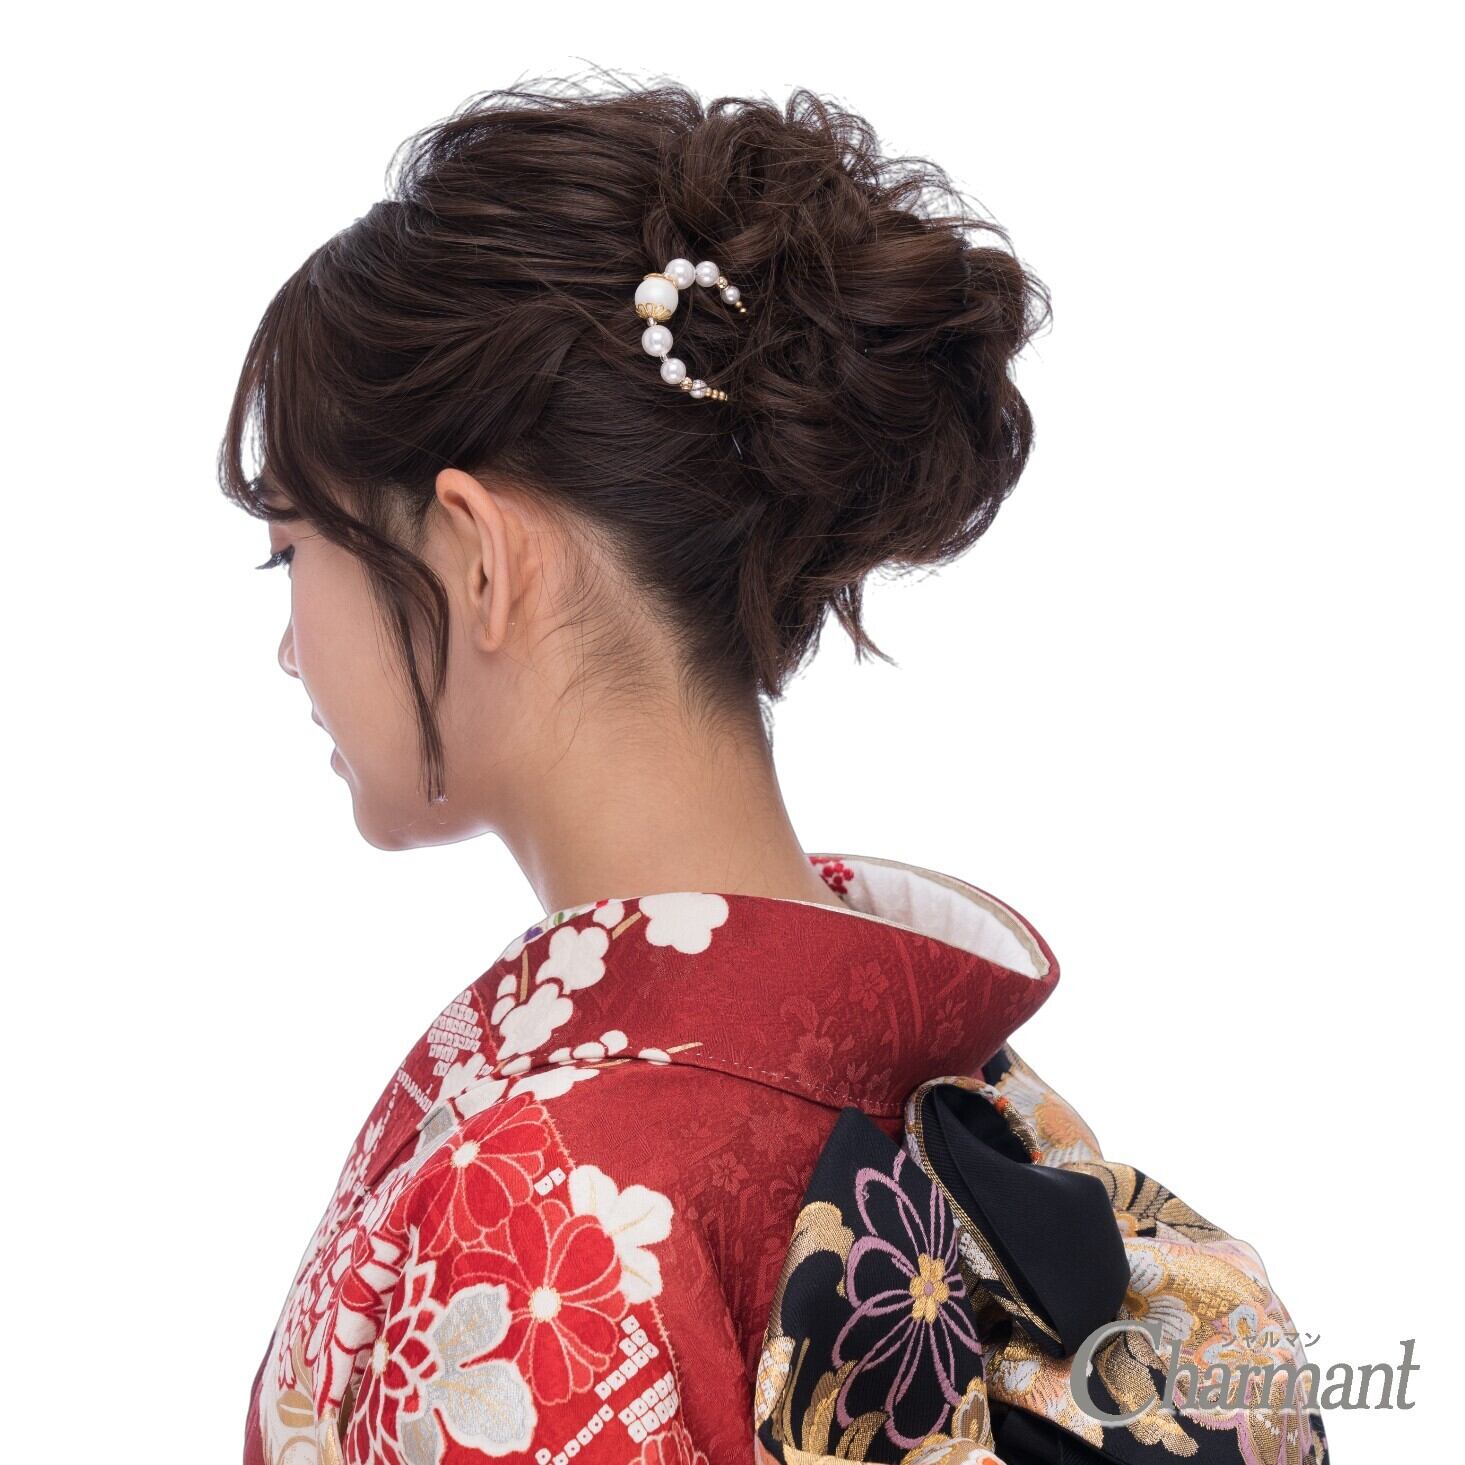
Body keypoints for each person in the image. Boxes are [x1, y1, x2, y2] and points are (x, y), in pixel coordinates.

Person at [224, 77, 1324, 1465]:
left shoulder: (541, 1206)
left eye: (290, 548)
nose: (286, 644)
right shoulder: (974, 1096)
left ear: (476, 554)